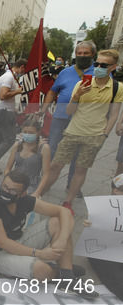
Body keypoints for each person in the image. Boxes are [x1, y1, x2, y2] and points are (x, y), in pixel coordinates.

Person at [0, 170, 97, 300]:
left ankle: (67, 277)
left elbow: (65, 212)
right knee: (41, 271)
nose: (6, 192)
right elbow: (2, 242)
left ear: (23, 193)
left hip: (18, 241)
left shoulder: (25, 200)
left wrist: (62, 238)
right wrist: (39, 253)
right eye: (4, 187)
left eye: (13, 191)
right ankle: (57, 271)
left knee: (58, 222)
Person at [44, 49, 123, 216]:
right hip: (73, 131)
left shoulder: (117, 88)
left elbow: (114, 114)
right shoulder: (82, 83)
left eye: (103, 65)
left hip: (95, 135)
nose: (98, 67)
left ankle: (68, 201)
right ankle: (39, 194)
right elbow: (69, 110)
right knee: (55, 165)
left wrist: (104, 135)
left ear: (113, 67)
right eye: (97, 64)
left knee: (81, 169)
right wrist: (77, 96)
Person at [37, 41, 97, 195]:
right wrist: (43, 109)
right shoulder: (65, 72)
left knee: (78, 153)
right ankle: (45, 181)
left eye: (86, 53)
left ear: (93, 55)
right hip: (61, 117)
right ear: (75, 54)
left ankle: (72, 185)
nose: (82, 56)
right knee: (52, 148)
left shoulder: (99, 72)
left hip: (83, 121)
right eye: (79, 53)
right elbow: (52, 91)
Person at [82, 174, 123, 300]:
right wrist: (91, 224)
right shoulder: (103, 208)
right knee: (117, 279)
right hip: (105, 251)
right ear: (116, 191)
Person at [0, 119, 50, 197]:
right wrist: (7, 180)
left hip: (31, 183)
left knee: (21, 197)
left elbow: (45, 174)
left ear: (38, 133)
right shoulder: (17, 145)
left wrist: (37, 192)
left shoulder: (44, 148)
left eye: (31, 133)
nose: (27, 134)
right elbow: (8, 168)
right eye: (25, 132)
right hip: (14, 179)